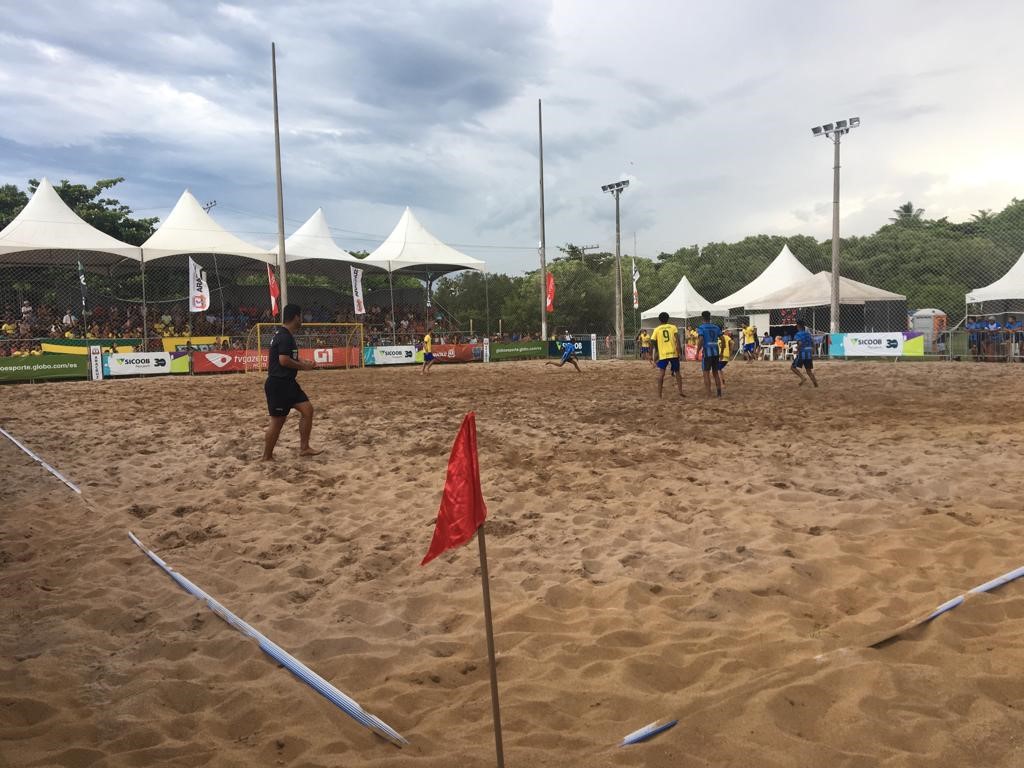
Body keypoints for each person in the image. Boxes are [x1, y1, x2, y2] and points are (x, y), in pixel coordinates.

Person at [263, 304, 322, 460]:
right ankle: (266, 456)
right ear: (296, 317)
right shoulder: (284, 336)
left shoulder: (285, 335)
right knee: (278, 421)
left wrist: (304, 362)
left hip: (288, 383)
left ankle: (304, 448)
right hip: (279, 384)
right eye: (301, 316)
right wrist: (303, 366)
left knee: (308, 410)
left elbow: (289, 358)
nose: (302, 320)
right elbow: (283, 360)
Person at [650, 311, 684, 399]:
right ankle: (680, 391)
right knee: (677, 372)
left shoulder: (657, 329)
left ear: (659, 320)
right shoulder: (673, 327)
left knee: (662, 374)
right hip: (673, 353)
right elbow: (677, 340)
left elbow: (652, 341)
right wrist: (680, 352)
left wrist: (654, 352)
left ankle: (659, 395)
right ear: (668, 319)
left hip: (663, 354)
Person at [696, 310, 723, 397]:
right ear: (710, 317)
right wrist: (722, 351)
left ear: (702, 318)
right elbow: (723, 339)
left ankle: (709, 394)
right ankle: (719, 393)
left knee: (706, 373)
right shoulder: (716, 327)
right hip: (716, 352)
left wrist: (697, 352)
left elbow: (701, 339)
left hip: (707, 353)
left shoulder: (701, 328)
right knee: (715, 373)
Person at [790, 319, 818, 387]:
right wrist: (813, 351)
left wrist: (797, 351)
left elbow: (800, 343)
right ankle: (815, 384)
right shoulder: (808, 334)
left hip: (802, 353)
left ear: (798, 326)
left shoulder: (797, 334)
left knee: (793, 367)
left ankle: (803, 378)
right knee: (809, 371)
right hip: (809, 354)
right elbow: (813, 344)